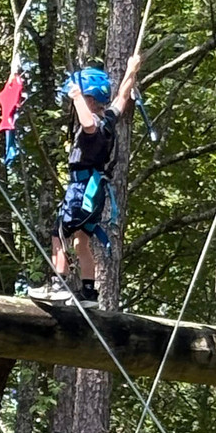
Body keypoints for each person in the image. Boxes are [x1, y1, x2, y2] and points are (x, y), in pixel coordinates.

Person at [28, 54, 142, 307]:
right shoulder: (108, 121)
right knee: (82, 240)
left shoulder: (92, 128)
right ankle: (89, 293)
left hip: (82, 190)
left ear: (90, 99)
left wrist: (77, 96)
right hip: (95, 192)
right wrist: (131, 70)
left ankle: (59, 284)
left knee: (59, 233)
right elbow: (122, 97)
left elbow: (87, 122)